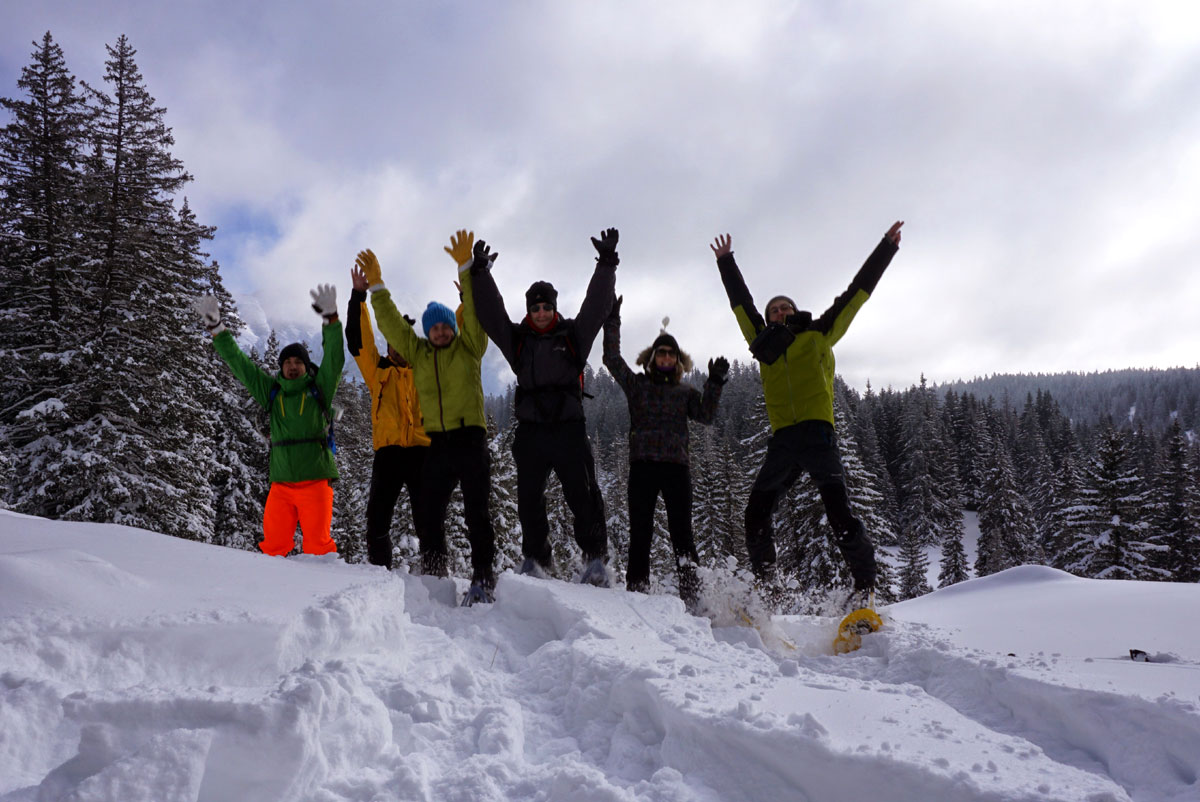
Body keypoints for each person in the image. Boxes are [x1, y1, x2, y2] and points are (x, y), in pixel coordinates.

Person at [710, 221, 904, 606]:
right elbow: (740, 304)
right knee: (755, 514)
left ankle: (865, 591)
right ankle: (766, 589)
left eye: (786, 307)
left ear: (795, 312)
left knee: (839, 515)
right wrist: (726, 262)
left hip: (818, 437)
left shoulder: (819, 333)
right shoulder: (761, 343)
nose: (780, 311)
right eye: (774, 309)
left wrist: (886, 248)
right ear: (767, 319)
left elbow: (856, 295)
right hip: (783, 442)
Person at [469, 229, 617, 586]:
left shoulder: (572, 336)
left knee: (583, 495)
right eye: (534, 307)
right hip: (532, 431)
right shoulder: (517, 341)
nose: (539, 312)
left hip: (568, 427)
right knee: (529, 499)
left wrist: (607, 263)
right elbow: (492, 316)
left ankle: (595, 560)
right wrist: (481, 274)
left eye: (546, 306)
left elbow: (595, 308)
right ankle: (536, 560)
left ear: (554, 307)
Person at [355, 232, 496, 606]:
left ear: (452, 329)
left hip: (470, 438)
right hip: (438, 444)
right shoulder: (417, 355)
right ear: (427, 332)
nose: (441, 331)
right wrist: (377, 287)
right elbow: (389, 327)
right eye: (435, 327)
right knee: (429, 511)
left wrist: (468, 272)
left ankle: (483, 579)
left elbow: (476, 320)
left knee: (476, 511)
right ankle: (435, 574)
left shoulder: (469, 349)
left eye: (446, 326)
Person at [193, 286, 343, 558]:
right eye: (287, 361)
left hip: (316, 482)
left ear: (307, 367)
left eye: (299, 361)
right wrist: (217, 328)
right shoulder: (271, 392)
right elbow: (241, 365)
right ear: (281, 367)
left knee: (318, 548)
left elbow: (334, 358)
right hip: (281, 485)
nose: (293, 366)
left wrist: (331, 320)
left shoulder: (319, 388)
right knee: (273, 549)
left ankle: (326, 599)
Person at [602, 299, 727, 608]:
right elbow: (611, 357)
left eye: (671, 353)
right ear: (653, 357)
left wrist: (714, 383)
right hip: (643, 467)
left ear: (678, 359)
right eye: (661, 352)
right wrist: (612, 321)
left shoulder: (685, 392)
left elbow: (706, 415)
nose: (666, 357)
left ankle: (694, 599)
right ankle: (637, 593)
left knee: (683, 536)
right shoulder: (637, 385)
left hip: (676, 470)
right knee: (640, 533)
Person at [347, 264, 430, 569]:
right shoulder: (377, 369)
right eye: (393, 341)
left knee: (429, 518)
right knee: (377, 518)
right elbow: (358, 338)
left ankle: (436, 573)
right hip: (389, 453)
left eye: (403, 339)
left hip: (423, 452)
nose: (398, 347)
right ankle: (380, 573)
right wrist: (358, 297)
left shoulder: (427, 368)